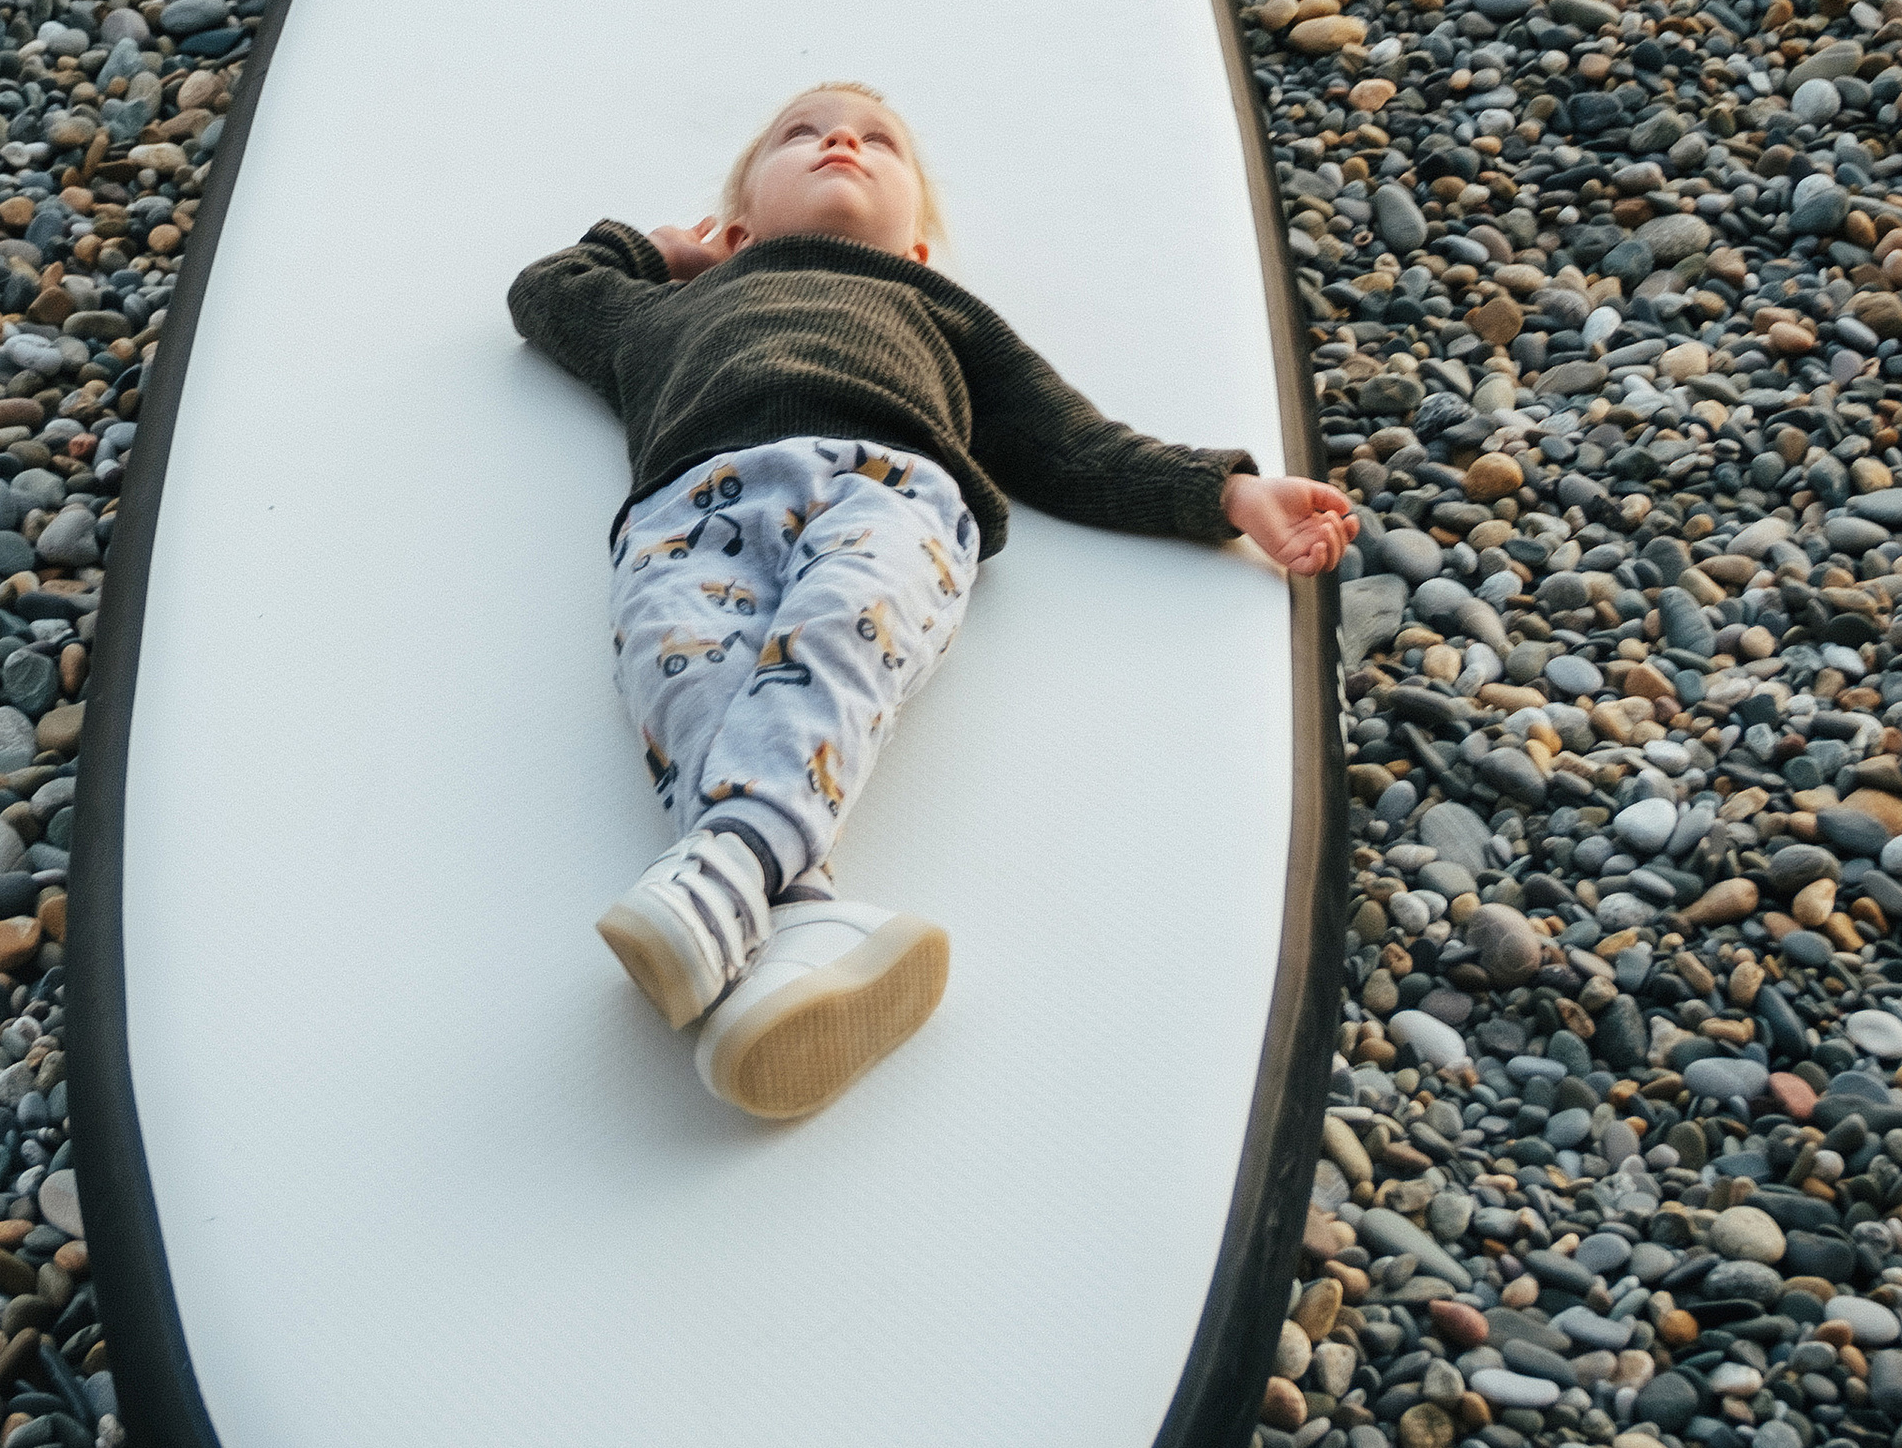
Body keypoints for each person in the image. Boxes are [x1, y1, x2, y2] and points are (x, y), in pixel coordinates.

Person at [508, 84, 1354, 1123]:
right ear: (733, 229)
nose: (843, 140)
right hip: (692, 503)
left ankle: (728, 866)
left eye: (878, 141)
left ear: (914, 251)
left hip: (888, 489)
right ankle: (801, 928)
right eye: (802, 133)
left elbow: (1069, 441)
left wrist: (1226, 492)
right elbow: (549, 294)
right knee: (688, 677)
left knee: (836, 643)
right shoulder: (668, 313)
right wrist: (659, 252)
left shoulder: (937, 313)